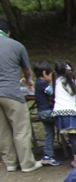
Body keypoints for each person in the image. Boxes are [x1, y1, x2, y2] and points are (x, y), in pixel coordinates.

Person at [0, 16, 42, 173]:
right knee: (20, 129)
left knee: (2, 130)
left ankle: (10, 163)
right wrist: (29, 81)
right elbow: (26, 70)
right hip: (11, 92)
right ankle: (27, 163)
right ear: (8, 32)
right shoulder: (16, 45)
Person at [51, 60, 76, 168]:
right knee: (74, 136)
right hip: (71, 112)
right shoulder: (72, 81)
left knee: (69, 135)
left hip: (58, 113)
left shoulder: (56, 81)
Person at [33, 60, 60, 166]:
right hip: (47, 112)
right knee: (65, 119)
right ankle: (74, 142)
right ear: (44, 73)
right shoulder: (42, 84)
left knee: (50, 133)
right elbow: (53, 92)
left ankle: (48, 156)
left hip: (42, 112)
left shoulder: (37, 83)